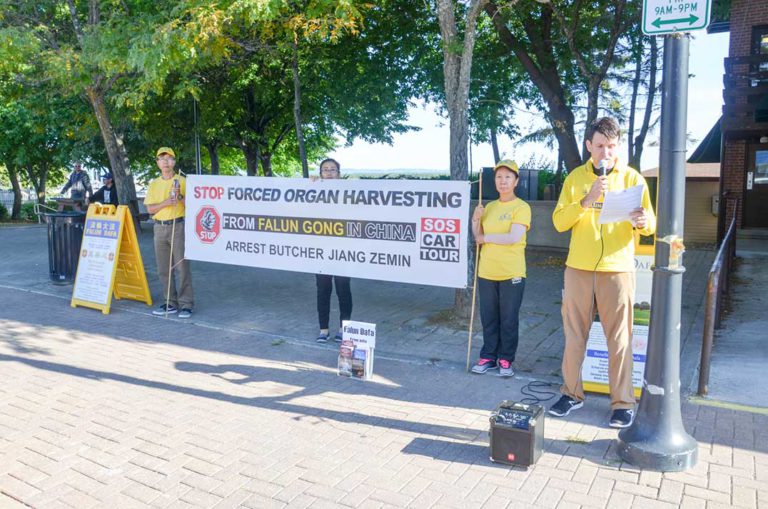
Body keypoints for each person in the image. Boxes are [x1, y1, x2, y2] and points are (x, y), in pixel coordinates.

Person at [549, 117, 656, 428]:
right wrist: (587, 199)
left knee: (620, 338)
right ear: (588, 147)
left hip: (618, 269)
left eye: (611, 146)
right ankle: (571, 394)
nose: (605, 153)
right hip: (578, 268)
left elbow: (651, 223)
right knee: (574, 336)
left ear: (618, 146)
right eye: (599, 146)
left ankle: (622, 403)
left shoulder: (633, 178)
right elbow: (559, 222)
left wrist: (641, 221)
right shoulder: (574, 179)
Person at [470, 160, 531, 378]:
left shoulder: (522, 207)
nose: (502, 181)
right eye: (499, 177)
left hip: (512, 272)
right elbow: (477, 236)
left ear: (516, 181)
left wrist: (486, 237)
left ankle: (506, 358)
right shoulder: (490, 207)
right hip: (487, 270)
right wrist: (475, 219)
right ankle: (488, 356)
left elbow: (514, 237)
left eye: (507, 177)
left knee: (508, 318)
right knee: (489, 317)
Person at [144, 147, 194, 318]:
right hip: (159, 227)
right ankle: (169, 302)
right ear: (157, 163)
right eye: (162, 158)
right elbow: (150, 209)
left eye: (169, 158)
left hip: (178, 226)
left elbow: (193, 206)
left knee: (181, 267)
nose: (166, 162)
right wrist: (166, 202)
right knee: (163, 268)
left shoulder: (183, 181)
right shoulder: (154, 184)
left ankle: (186, 303)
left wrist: (179, 197)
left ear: (174, 161)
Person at [314, 158, 353, 343]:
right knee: (323, 291)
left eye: (333, 169)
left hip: (343, 251)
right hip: (321, 251)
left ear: (339, 173)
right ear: (320, 173)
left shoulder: (349, 192)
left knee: (343, 290)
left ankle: (343, 330)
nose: (329, 173)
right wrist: (309, 186)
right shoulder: (313, 191)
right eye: (325, 170)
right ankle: (323, 330)